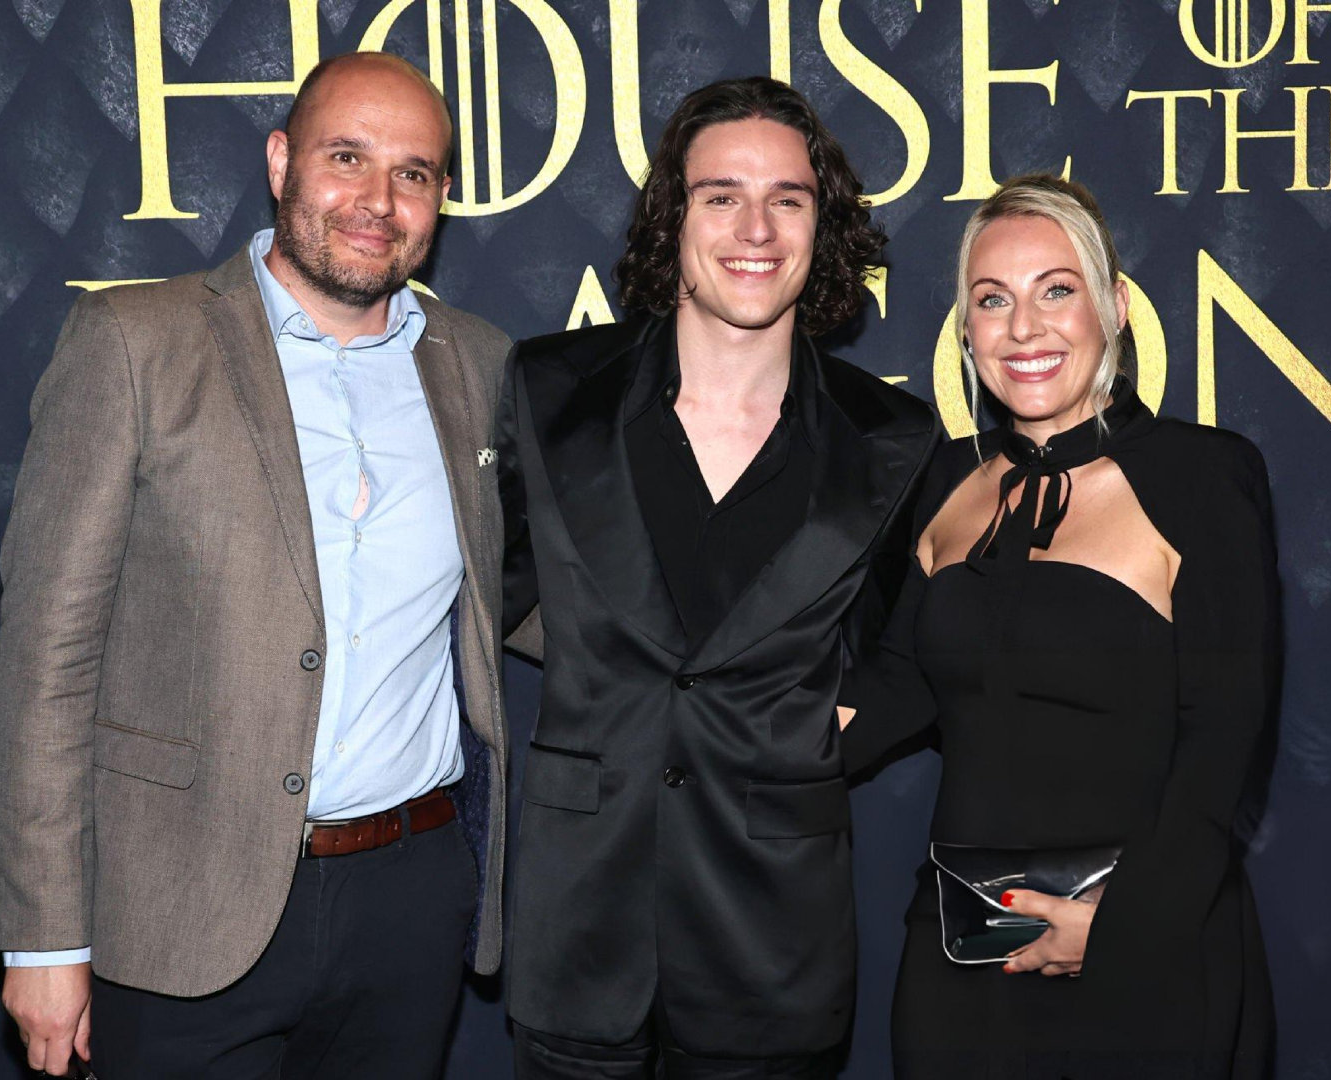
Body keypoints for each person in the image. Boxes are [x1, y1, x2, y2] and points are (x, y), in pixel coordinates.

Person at [0, 52, 516, 1078]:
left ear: (441, 198)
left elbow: (531, 588)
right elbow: (45, 662)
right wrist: (42, 936)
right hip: (180, 901)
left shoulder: (480, 364)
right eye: (346, 157)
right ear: (280, 163)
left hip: (407, 903)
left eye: (412, 173)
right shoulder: (136, 341)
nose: (378, 200)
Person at [496, 76, 939, 1078]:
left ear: (822, 226)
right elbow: (495, 588)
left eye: (788, 199)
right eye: (720, 196)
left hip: (771, 939)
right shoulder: (548, 390)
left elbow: (915, 645)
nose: (756, 229)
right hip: (579, 927)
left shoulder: (891, 438)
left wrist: (826, 730)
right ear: (673, 216)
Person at [839, 173, 1278, 1079]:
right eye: (992, 299)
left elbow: (1224, 746)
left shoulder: (1202, 477)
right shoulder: (942, 480)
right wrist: (732, 721)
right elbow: (896, 686)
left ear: (1114, 307)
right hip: (963, 960)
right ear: (967, 330)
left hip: (1146, 955)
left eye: (1056, 290)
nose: (1024, 328)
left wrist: (1120, 928)